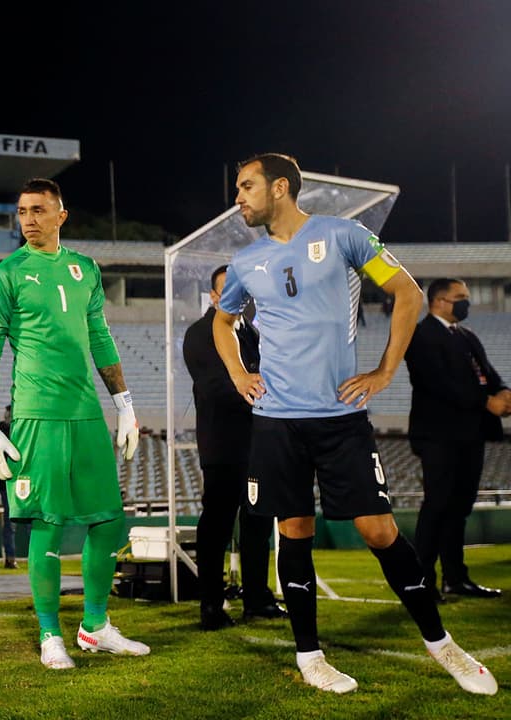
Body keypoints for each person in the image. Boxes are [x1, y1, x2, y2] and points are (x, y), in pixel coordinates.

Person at [213, 153, 495, 695]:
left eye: (246, 186)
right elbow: (224, 325)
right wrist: (238, 372)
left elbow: (408, 293)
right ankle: (310, 656)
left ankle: (443, 645)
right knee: (294, 531)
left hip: (342, 418)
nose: (238, 197)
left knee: (379, 530)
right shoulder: (247, 264)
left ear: (280, 187)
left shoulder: (344, 235)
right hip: (276, 422)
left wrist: (385, 370)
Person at [0, 178, 148, 670]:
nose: (27, 219)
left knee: (108, 521)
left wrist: (125, 405)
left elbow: (100, 337)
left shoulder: (85, 269)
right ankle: (50, 633)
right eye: (21, 211)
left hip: (87, 412)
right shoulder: (5, 274)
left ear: (60, 215)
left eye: (37, 210)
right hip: (36, 414)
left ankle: (95, 626)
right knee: (46, 525)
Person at [183, 265, 285, 630]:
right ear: (212, 297)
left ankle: (257, 599)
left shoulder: (253, 334)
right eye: (227, 290)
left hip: (259, 443)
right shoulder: (199, 333)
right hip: (224, 445)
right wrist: (261, 391)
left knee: (258, 522)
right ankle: (210, 605)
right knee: (218, 525)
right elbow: (215, 386)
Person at [405, 278, 507, 599]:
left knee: (459, 507)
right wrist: (485, 402)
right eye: (460, 297)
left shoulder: (466, 335)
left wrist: (502, 391)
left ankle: (455, 577)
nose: (467, 302)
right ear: (438, 302)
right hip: (439, 435)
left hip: (470, 434)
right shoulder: (422, 336)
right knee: (437, 505)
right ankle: (422, 580)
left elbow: (488, 373)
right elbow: (439, 384)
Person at [0, 406, 17, 569]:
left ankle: (33, 555)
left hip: (20, 480)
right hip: (7, 481)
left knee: (32, 521)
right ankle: (10, 557)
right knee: (10, 523)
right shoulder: (2, 430)